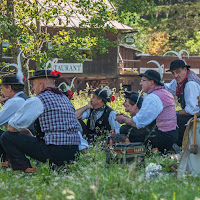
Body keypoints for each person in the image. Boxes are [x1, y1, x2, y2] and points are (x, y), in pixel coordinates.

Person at [0, 69, 81, 172]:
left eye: (34, 85)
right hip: (73, 152)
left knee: (7, 136)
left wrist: (24, 132)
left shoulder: (39, 99)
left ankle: (24, 169)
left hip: (53, 152)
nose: (33, 88)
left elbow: (12, 127)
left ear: (41, 85)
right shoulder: (65, 99)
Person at [116, 70, 178, 153]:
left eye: (143, 80)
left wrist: (123, 119)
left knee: (125, 129)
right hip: (172, 134)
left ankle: (137, 153)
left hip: (163, 136)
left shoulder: (153, 97)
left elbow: (139, 123)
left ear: (151, 82)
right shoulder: (165, 93)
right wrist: (127, 119)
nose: (140, 83)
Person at [165, 59, 200, 146]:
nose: (175, 75)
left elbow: (192, 111)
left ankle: (180, 147)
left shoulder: (190, 84)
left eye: (178, 72)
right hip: (193, 114)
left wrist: (174, 112)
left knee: (175, 121)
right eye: (173, 73)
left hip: (197, 116)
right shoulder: (180, 80)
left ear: (185, 69)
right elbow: (169, 88)